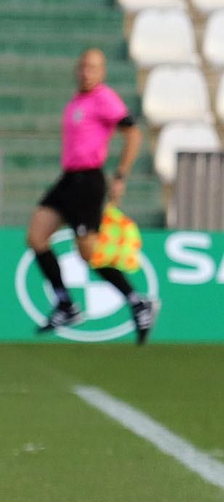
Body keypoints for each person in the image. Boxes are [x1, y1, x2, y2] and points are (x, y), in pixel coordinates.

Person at [28, 48, 157, 343]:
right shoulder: (78, 100)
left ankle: (137, 300)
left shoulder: (104, 98)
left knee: (90, 254)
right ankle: (65, 303)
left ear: (102, 72)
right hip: (69, 178)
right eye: (83, 66)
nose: (86, 72)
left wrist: (121, 174)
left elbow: (132, 133)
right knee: (36, 236)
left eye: (93, 67)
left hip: (87, 180)